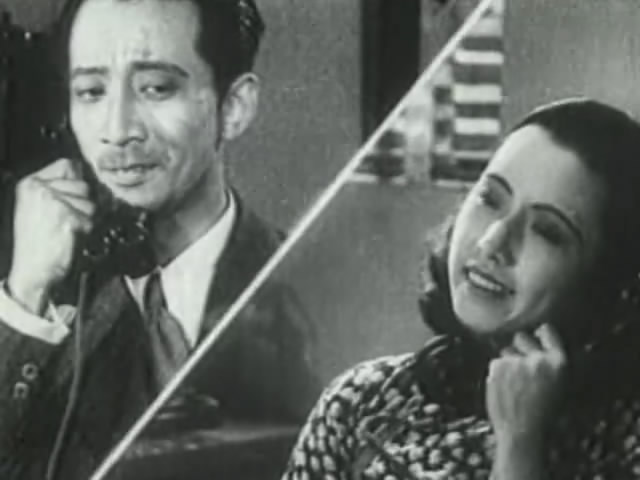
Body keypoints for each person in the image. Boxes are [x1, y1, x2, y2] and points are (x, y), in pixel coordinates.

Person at [0, 0, 317, 478]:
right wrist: (26, 296)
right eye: (91, 92)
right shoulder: (38, 297)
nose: (117, 131)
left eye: (156, 88)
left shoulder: (307, 286)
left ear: (234, 107)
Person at [282, 98, 640, 479]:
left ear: (606, 280)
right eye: (489, 199)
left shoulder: (624, 438)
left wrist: (519, 444)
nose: (492, 242)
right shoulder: (359, 402)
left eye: (547, 231)